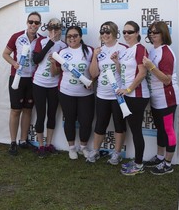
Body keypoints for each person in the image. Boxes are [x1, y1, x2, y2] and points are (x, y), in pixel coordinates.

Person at [142, 21, 179, 175]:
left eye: (156, 32)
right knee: (160, 129)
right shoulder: (153, 50)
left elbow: (166, 79)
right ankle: (159, 157)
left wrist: (151, 66)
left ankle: (168, 163)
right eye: (150, 32)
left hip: (167, 98)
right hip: (156, 96)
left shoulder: (166, 52)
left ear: (163, 34)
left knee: (168, 130)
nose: (152, 35)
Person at [111, 21, 150, 176]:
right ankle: (137, 162)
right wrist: (116, 62)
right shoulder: (127, 50)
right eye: (124, 32)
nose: (127, 35)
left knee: (136, 131)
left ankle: (139, 165)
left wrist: (128, 89)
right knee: (134, 130)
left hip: (137, 96)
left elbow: (142, 73)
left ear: (137, 32)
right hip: (129, 95)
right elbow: (123, 72)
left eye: (130, 32)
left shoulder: (140, 48)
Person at [87, 21, 128, 165]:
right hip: (102, 94)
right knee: (100, 124)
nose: (104, 35)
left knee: (119, 124)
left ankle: (117, 153)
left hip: (118, 95)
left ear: (115, 33)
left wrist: (116, 62)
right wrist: (94, 56)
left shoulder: (123, 49)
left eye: (108, 32)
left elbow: (125, 73)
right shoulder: (99, 50)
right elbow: (94, 74)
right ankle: (95, 151)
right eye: (102, 32)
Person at [2, 12, 42, 155]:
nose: (33, 25)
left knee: (28, 109)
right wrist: (14, 63)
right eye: (31, 22)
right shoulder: (17, 36)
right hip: (17, 78)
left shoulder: (41, 40)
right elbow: (5, 53)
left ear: (39, 25)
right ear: (27, 22)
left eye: (36, 23)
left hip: (33, 79)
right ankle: (13, 142)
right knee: (15, 110)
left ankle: (23, 140)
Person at [55, 26, 95, 160]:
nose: (72, 38)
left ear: (80, 36)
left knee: (86, 121)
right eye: (69, 36)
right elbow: (56, 72)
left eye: (75, 35)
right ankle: (71, 148)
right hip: (66, 92)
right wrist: (51, 62)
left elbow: (96, 71)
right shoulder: (61, 52)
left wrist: (91, 81)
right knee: (69, 120)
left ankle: (83, 146)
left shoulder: (89, 51)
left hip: (86, 94)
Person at [32, 18, 67, 158]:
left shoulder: (64, 45)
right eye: (51, 27)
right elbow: (36, 59)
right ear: (47, 29)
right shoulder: (41, 41)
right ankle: (40, 145)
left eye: (57, 28)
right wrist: (50, 42)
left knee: (52, 114)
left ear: (61, 29)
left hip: (54, 84)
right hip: (39, 83)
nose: (54, 30)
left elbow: (63, 67)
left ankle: (49, 144)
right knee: (41, 114)